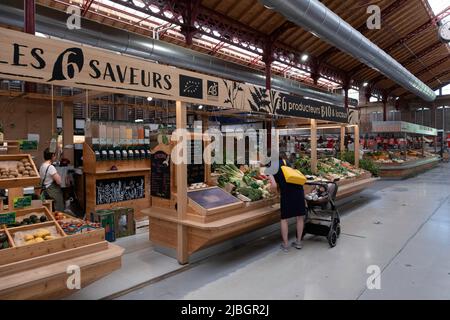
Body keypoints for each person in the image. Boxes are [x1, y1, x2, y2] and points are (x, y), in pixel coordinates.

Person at [273, 154, 306, 252]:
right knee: (300, 217)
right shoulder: (285, 162)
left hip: (287, 193)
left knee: (284, 219)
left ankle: (286, 245)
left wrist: (275, 193)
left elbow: (274, 185)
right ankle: (298, 242)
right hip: (298, 190)